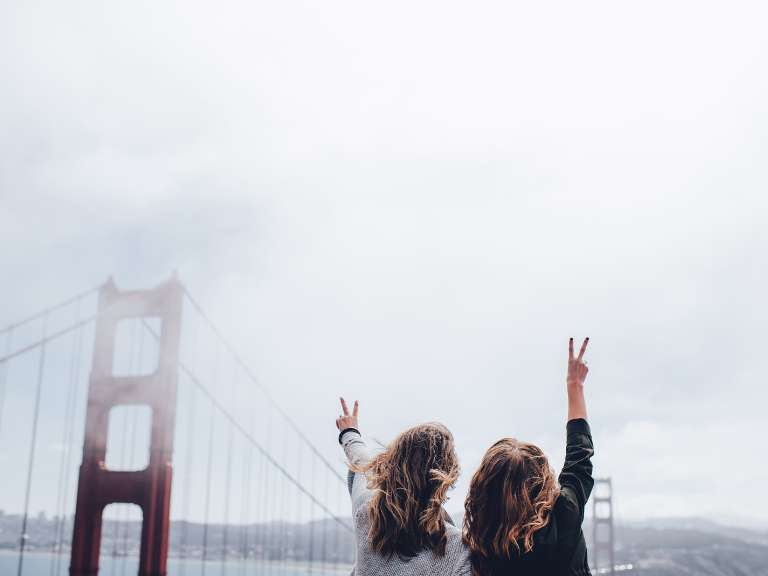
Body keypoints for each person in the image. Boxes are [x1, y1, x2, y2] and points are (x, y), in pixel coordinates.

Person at [462, 337, 595, 576]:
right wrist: (575, 386)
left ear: (484, 490)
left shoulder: (481, 544)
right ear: (542, 481)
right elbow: (579, 459)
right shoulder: (565, 515)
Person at [335, 398, 472, 575]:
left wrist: (349, 432)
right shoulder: (459, 550)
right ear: (447, 477)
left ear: (391, 464)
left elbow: (362, 462)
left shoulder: (365, 511)